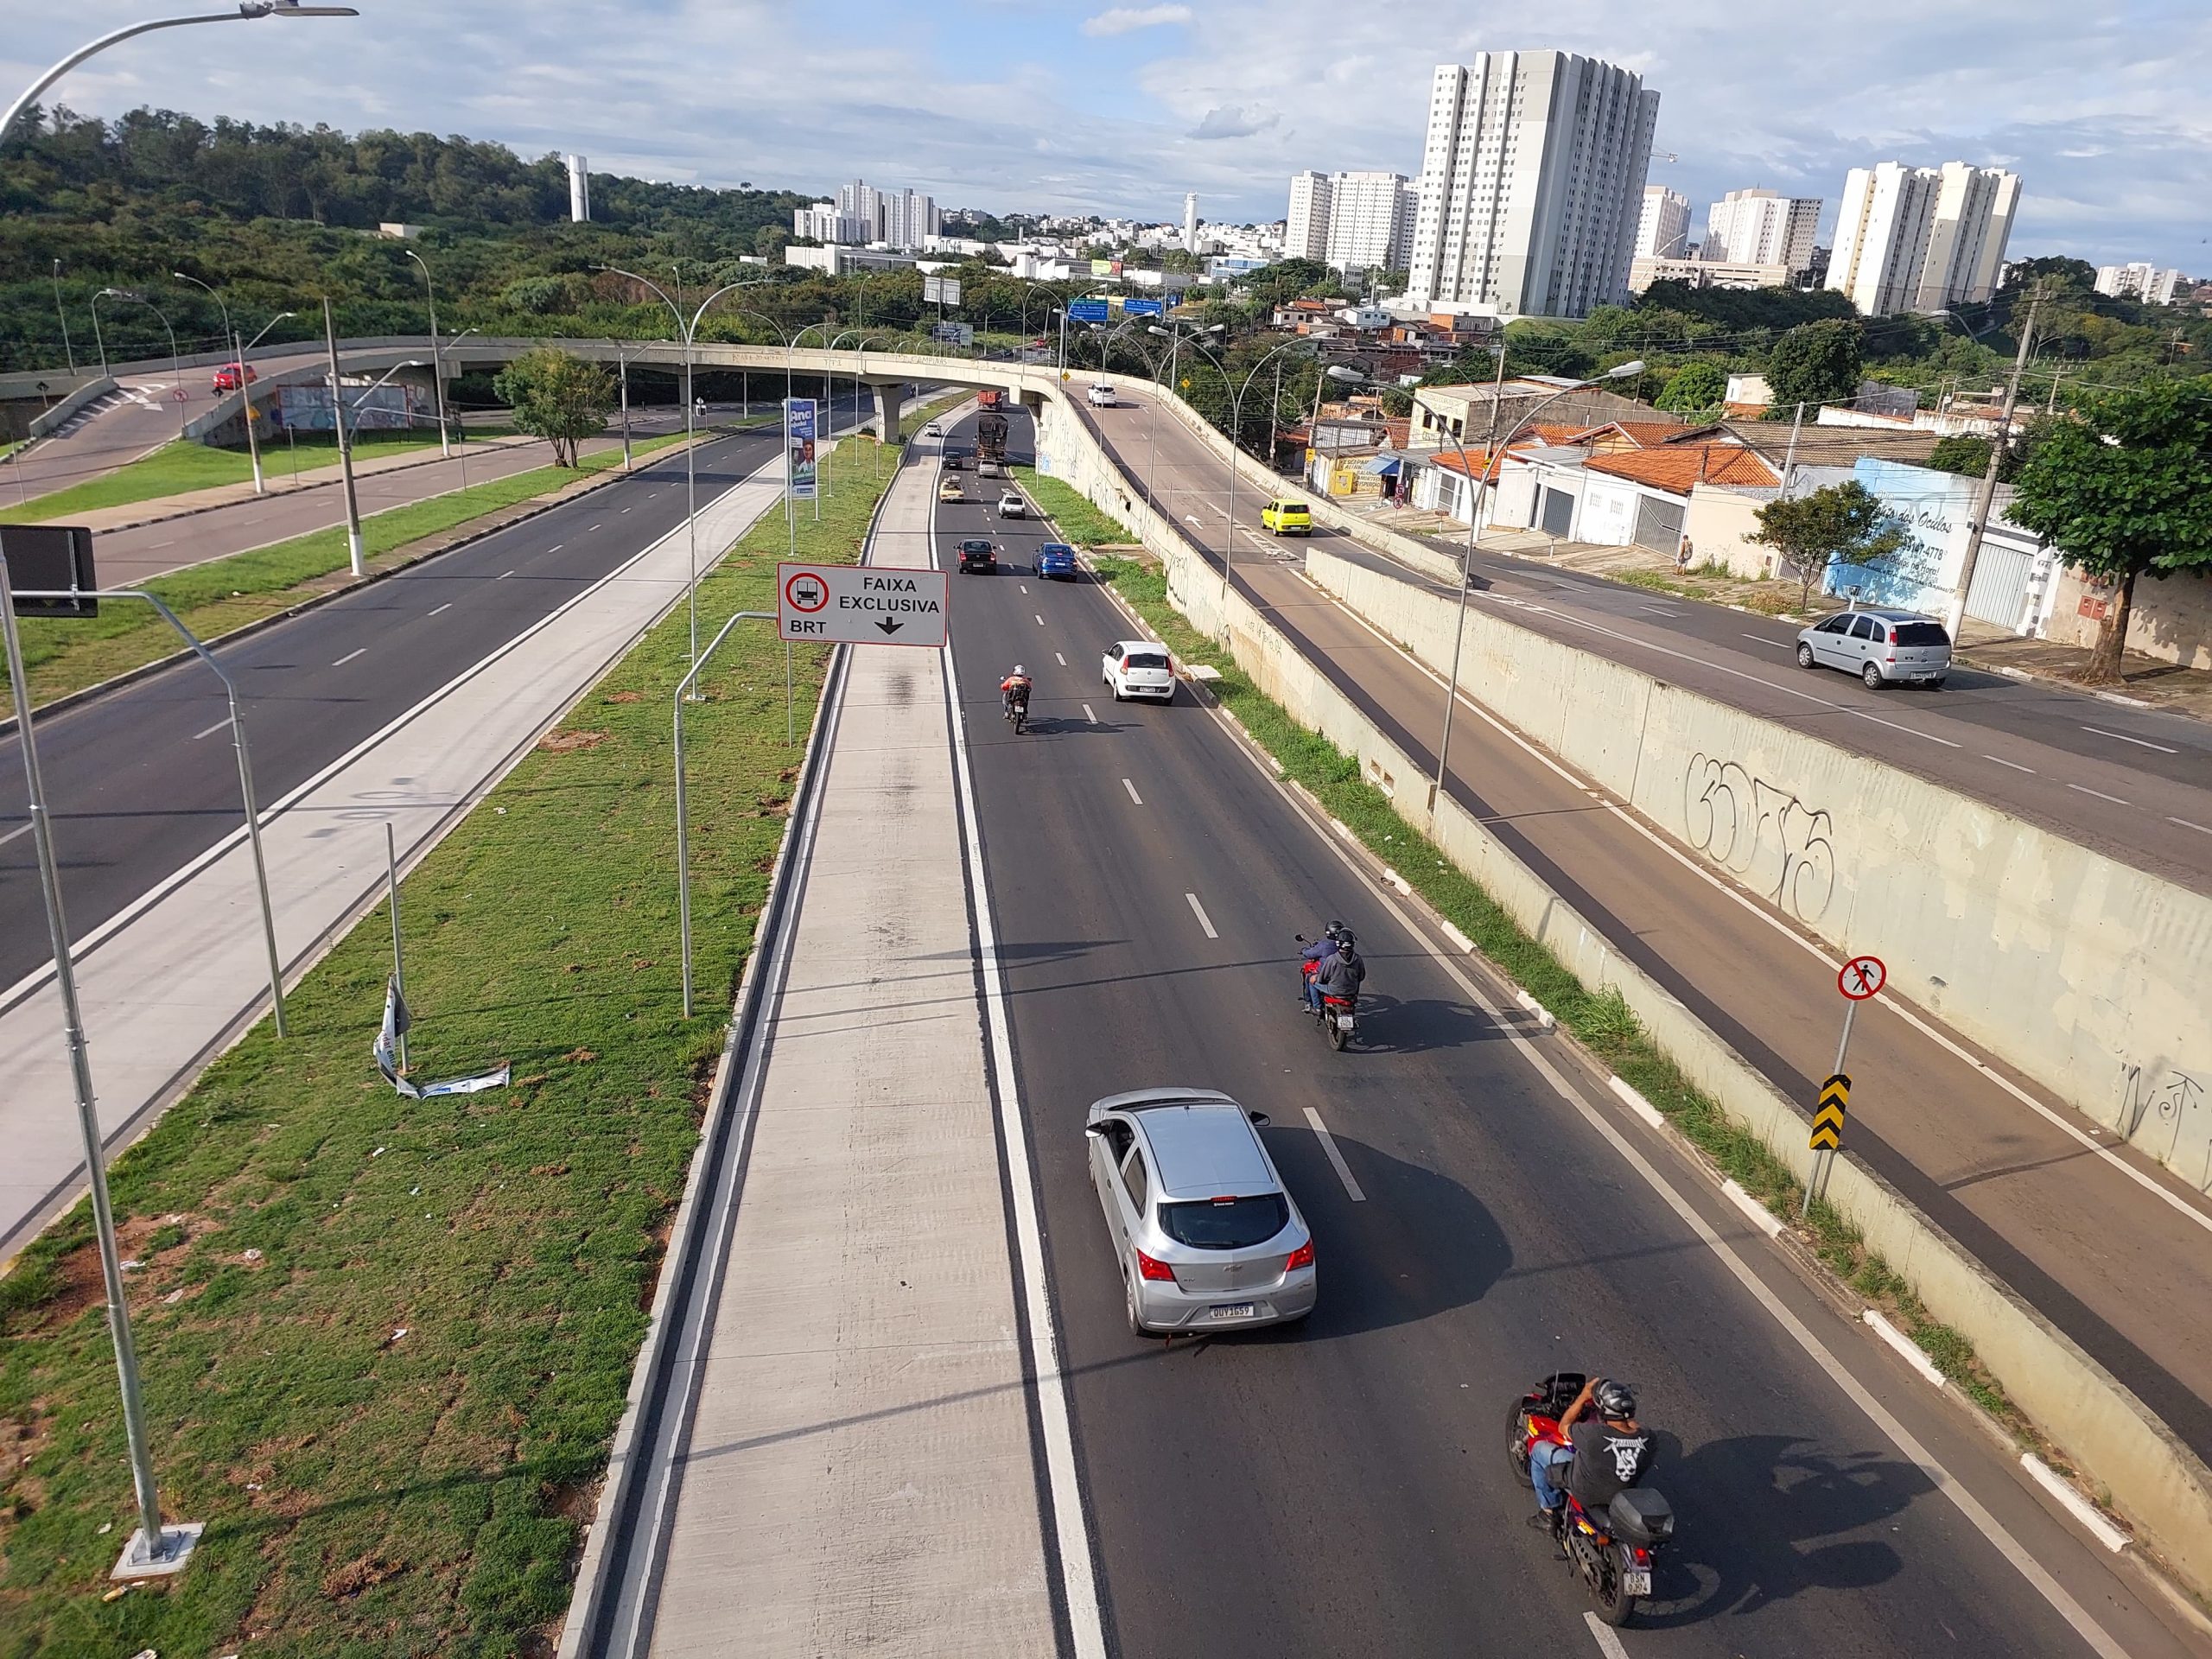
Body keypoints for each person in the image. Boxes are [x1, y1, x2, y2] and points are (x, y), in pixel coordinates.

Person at [1531, 1377, 1652, 1529]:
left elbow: (1564, 1426)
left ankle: (1547, 1512)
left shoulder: (1592, 1435)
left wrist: (1583, 1397)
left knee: (1538, 1450)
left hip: (1584, 1491)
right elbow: (1634, 1426)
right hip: (1620, 1493)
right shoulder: (1648, 1438)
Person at [1313, 930, 1365, 1013]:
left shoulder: (1332, 959)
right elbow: (1361, 976)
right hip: (1352, 992)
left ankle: (1317, 1007)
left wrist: (1315, 977)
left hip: (1333, 991)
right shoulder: (1358, 959)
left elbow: (1322, 979)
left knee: (1312, 981)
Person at [1300, 922, 1344, 1011]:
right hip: (1344, 980)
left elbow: (1310, 954)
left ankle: (1315, 1006)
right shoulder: (1346, 947)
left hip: (1327, 979)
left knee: (1310, 979)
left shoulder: (1325, 945)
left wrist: (1304, 950)